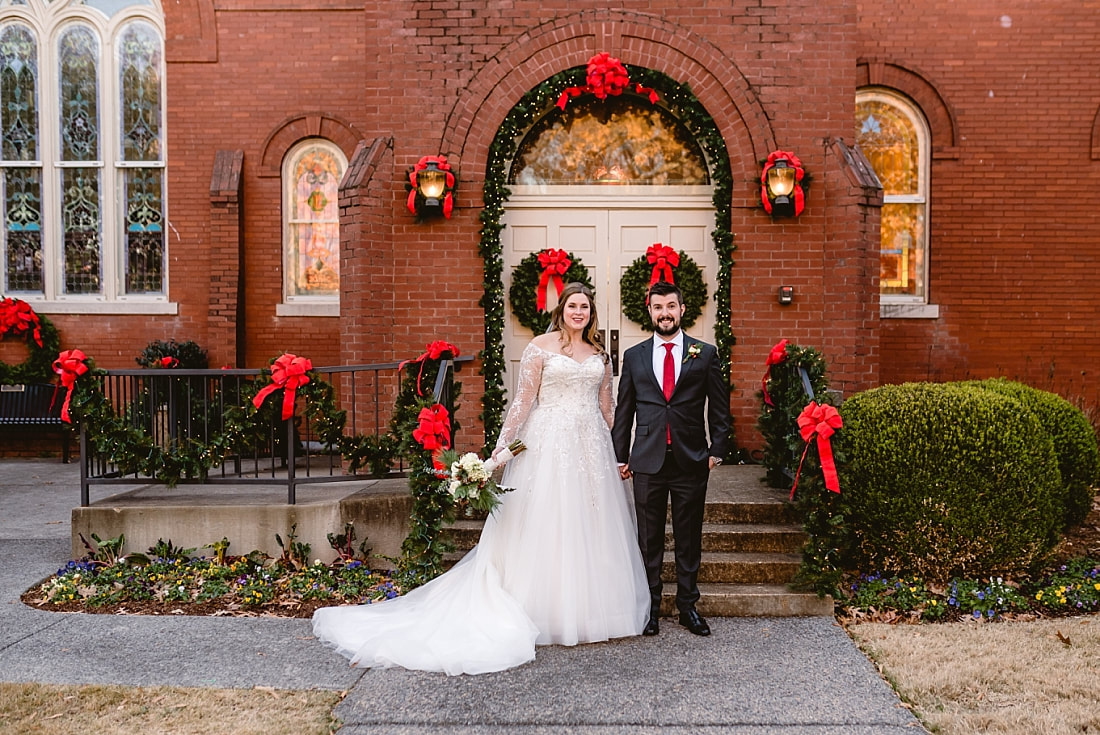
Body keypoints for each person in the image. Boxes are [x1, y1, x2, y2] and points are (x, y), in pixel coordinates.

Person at [312, 282, 649, 675]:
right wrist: (498, 454)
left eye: (585, 307)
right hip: (547, 443)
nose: (579, 312)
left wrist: (622, 453)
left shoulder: (601, 356)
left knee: (590, 522)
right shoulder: (540, 347)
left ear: (592, 312)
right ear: (562, 309)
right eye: (573, 305)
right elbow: (523, 403)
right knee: (545, 520)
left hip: (590, 446)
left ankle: (591, 611)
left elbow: (609, 407)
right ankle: (543, 609)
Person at [612, 280, 731, 638]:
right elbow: (624, 411)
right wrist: (621, 457)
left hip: (691, 459)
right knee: (648, 539)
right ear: (650, 311)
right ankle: (650, 608)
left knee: (688, 536)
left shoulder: (705, 353)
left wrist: (717, 452)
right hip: (646, 461)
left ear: (681, 310)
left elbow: (720, 410)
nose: (665, 313)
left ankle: (687, 607)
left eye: (671, 307)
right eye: (658, 307)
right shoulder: (634, 356)